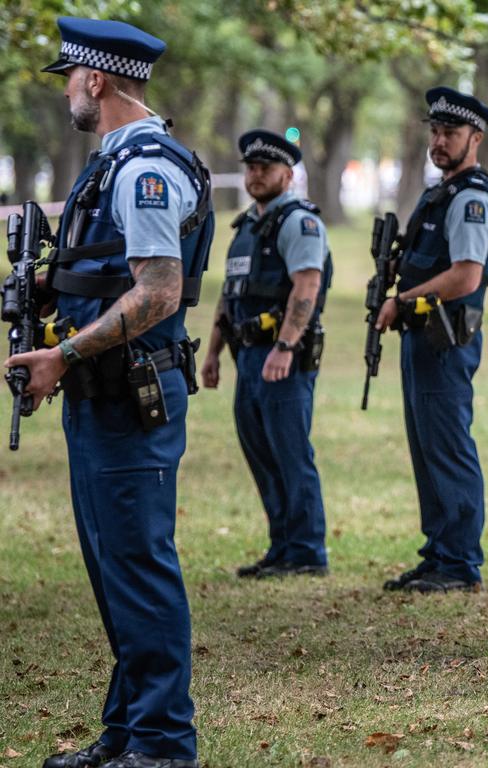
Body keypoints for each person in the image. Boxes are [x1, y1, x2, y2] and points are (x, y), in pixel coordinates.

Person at [4, 16, 214, 768]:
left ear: (97, 79)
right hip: (104, 395)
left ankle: (162, 743)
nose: (66, 91)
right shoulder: (113, 162)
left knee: (138, 564)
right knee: (112, 566)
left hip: (133, 395)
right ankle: (128, 729)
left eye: (69, 77)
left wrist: (61, 352)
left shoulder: (144, 168)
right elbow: (105, 274)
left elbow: (159, 292)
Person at [375, 87, 488, 594]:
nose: (439, 141)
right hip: (425, 337)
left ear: (474, 138)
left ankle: (458, 562)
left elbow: (466, 277)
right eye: (434, 131)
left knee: (448, 447)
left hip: (446, 338)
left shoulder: (471, 199)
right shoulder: (442, 192)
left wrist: (402, 298)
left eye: (450, 133)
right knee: (427, 447)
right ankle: (438, 554)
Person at [200, 130, 331, 579]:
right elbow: (229, 295)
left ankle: (308, 551)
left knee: (289, 452)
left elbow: (307, 285)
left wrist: (285, 346)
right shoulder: (246, 227)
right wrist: (213, 352)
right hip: (247, 358)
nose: (255, 175)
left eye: (266, 168)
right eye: (250, 168)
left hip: (283, 358)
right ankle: (283, 546)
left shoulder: (299, 222)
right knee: (260, 452)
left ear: (287, 175)